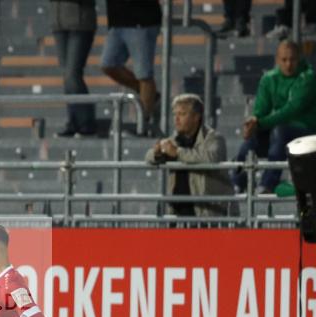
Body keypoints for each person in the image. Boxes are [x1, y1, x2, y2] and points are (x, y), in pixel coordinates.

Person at [232, 41, 316, 194]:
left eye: (292, 59)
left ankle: (268, 184)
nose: (288, 64)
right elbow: (260, 110)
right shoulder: (269, 79)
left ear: (299, 59)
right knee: (251, 141)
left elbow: (291, 110)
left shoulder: (308, 78)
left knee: (280, 132)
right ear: (277, 60)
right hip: (284, 136)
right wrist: (253, 122)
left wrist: (260, 123)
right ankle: (236, 184)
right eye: (284, 60)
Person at [146, 94, 233, 217]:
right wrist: (157, 153)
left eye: (182, 114)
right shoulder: (174, 140)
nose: (176, 119)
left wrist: (177, 153)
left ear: (196, 117)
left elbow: (211, 158)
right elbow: (148, 158)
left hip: (207, 216)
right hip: (177, 215)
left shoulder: (214, 138)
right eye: (175, 114)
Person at [101, 0, 162, 128]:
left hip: (142, 21)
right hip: (117, 21)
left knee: (144, 74)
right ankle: (150, 95)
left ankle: (143, 123)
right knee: (108, 65)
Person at [50, 0, 97, 137]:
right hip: (59, 23)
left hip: (80, 23)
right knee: (67, 75)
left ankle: (86, 123)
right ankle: (74, 121)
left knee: (72, 74)